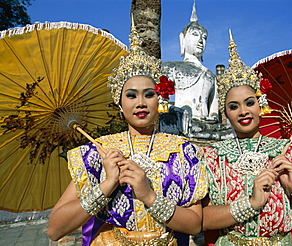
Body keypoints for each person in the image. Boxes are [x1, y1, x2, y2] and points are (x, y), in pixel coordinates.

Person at [47, 25, 207, 246]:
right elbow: (55, 229)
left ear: (159, 99)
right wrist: (107, 184)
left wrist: (148, 195)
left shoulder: (182, 150)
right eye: (131, 95)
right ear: (120, 104)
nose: (140, 103)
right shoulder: (100, 150)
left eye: (148, 94)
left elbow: (194, 225)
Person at [201, 31, 292, 245]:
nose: (243, 111)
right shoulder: (213, 157)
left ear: (260, 105)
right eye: (233, 106)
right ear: (225, 114)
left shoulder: (290, 153)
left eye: (249, 102)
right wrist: (252, 204)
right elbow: (203, 220)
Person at [162, 2, 218, 122]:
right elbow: (162, 104)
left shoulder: (210, 75)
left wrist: (213, 117)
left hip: (206, 126)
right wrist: (175, 111)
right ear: (182, 39)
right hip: (180, 122)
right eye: (195, 34)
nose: (200, 40)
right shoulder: (171, 68)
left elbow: (214, 109)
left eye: (204, 37)